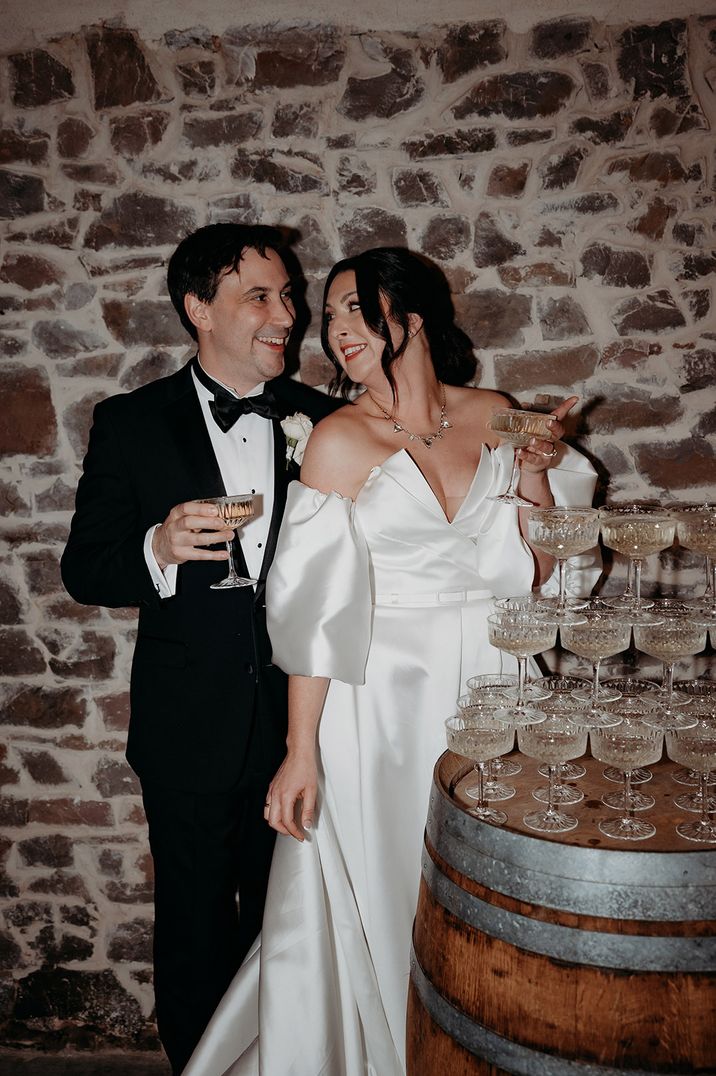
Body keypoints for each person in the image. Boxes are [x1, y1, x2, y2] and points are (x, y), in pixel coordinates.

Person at [183, 247, 599, 1076]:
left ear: (409, 319)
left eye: (352, 309)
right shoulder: (338, 441)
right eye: (329, 314)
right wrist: (301, 752)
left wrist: (539, 474)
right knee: (389, 893)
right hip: (379, 706)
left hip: (497, 684)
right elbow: (310, 616)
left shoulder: (497, 412)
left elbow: (541, 571)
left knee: (499, 894)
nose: (334, 329)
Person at [60, 223, 340, 1075]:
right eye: (261, 295)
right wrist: (158, 547)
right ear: (197, 309)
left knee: (290, 927)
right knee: (191, 929)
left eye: (289, 295)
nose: (285, 314)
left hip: (310, 730)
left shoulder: (328, 424)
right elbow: (85, 568)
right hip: (187, 726)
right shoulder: (131, 423)